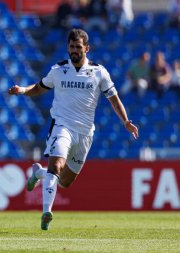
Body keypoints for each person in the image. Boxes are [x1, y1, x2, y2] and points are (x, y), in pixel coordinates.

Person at [8, 29, 139, 230]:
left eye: (78, 47)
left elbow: (114, 99)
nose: (75, 50)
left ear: (87, 48)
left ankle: (38, 174)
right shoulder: (58, 70)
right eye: (71, 47)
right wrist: (24, 90)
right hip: (62, 126)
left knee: (66, 182)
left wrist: (125, 121)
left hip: (85, 133)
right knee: (56, 166)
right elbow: (40, 87)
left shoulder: (99, 72)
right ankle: (46, 212)